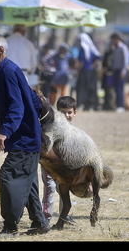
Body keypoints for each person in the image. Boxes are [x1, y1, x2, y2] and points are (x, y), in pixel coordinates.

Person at [0, 34, 49, 237]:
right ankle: (39, 222)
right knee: (27, 182)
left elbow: (17, 107)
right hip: (25, 137)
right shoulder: (4, 70)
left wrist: (4, 132)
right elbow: (30, 98)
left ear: (0, 51)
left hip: (24, 140)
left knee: (9, 176)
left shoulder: (8, 71)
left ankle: (10, 227)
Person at [41, 96, 77, 224]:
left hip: (65, 166)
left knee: (64, 189)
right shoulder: (51, 127)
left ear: (75, 113)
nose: (66, 115)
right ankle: (45, 218)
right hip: (49, 165)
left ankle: (64, 216)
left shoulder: (74, 132)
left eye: (69, 112)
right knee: (49, 188)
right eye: (62, 112)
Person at [75, 33, 102, 111]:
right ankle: (92, 105)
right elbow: (99, 57)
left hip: (84, 71)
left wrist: (77, 70)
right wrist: (93, 65)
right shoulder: (92, 48)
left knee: (82, 88)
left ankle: (81, 104)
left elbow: (81, 62)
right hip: (91, 72)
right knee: (92, 88)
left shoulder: (83, 48)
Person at [110, 32, 129, 112]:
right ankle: (117, 105)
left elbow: (125, 61)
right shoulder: (114, 48)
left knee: (119, 88)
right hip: (115, 70)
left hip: (121, 71)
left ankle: (121, 106)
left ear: (117, 39)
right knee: (116, 88)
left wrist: (123, 71)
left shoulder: (123, 47)